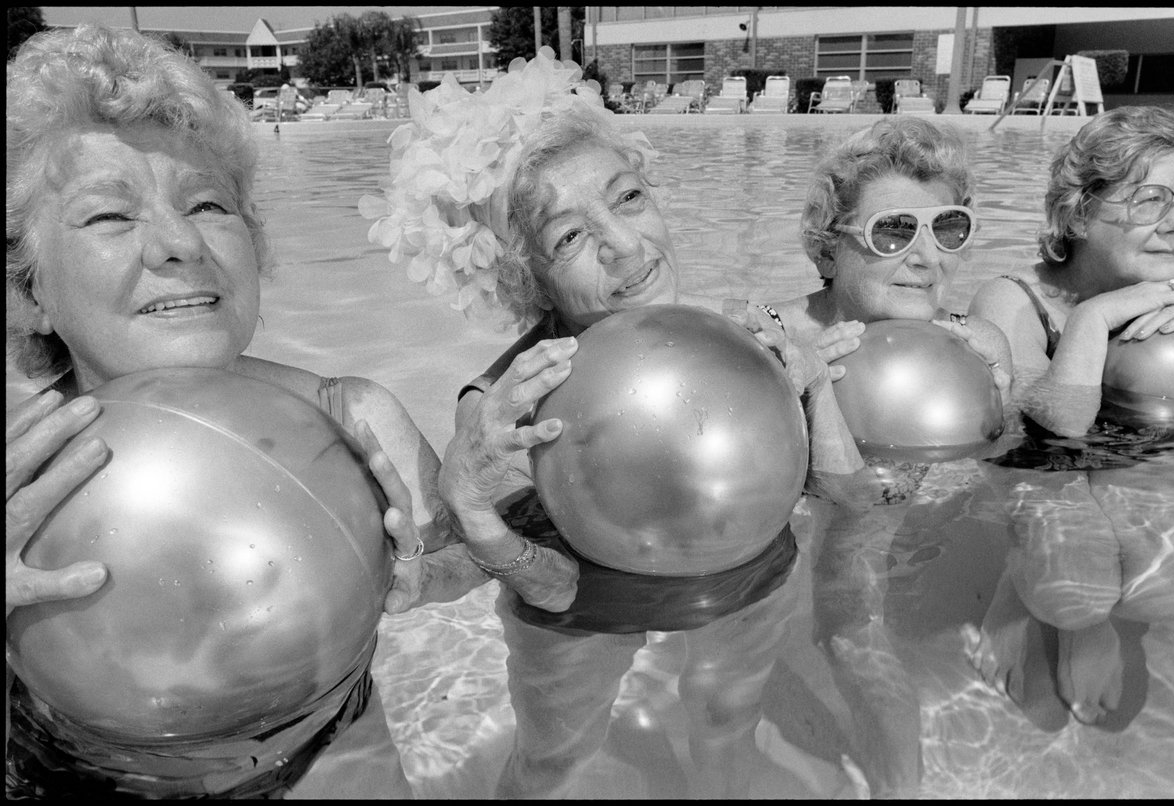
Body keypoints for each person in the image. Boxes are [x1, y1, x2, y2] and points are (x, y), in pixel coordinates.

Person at [4, 24, 558, 799]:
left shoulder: (353, 418)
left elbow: (453, 567)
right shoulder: (16, 472)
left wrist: (438, 547)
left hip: (325, 747)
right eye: (109, 216)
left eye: (208, 204)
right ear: (28, 291)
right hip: (77, 771)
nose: (178, 243)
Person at [362, 48, 870, 799]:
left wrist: (814, 384)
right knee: (554, 761)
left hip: (742, 581)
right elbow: (465, 565)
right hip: (581, 618)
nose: (625, 247)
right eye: (569, 237)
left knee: (728, 722)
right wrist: (462, 501)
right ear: (527, 276)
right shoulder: (506, 402)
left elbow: (842, 496)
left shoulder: (739, 343)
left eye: (628, 198)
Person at [758, 116, 1013, 798]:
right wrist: (808, 390)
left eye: (948, 229)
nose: (928, 259)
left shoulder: (972, 343)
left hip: (915, 524)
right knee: (848, 621)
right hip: (815, 521)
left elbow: (1007, 469)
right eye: (895, 231)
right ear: (828, 248)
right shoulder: (774, 339)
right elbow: (818, 492)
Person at [963, 106, 1174, 725]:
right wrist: (1095, 319)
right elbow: (1053, 427)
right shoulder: (1014, 298)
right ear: (1081, 211)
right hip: (1045, 472)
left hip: (1139, 465)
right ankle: (1038, 596)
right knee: (1074, 594)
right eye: (1152, 200)